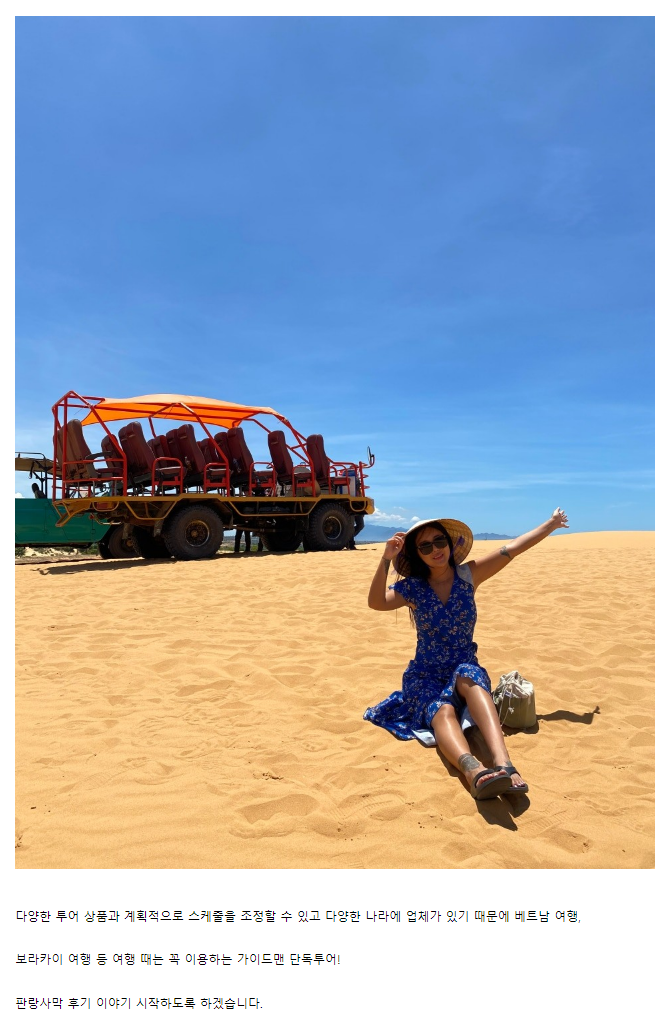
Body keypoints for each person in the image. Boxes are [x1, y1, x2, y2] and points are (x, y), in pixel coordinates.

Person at [364, 508, 569, 801]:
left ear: (449, 543)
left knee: (471, 677)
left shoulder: (468, 575)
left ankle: (505, 764)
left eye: (439, 541)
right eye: (425, 546)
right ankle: (473, 771)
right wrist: (386, 559)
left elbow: (512, 549)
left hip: (463, 665)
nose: (435, 550)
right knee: (442, 710)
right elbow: (376, 602)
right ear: (418, 555)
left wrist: (550, 524)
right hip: (426, 674)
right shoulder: (413, 589)